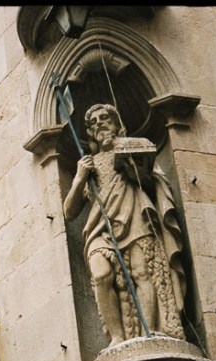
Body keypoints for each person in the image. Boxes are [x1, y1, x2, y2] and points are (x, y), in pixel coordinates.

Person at [63, 103, 186, 346]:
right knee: (101, 274)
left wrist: (133, 167)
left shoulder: (132, 147)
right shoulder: (88, 164)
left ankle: (150, 331)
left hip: (135, 219)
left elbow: (153, 183)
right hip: (100, 228)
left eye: (105, 118)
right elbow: (69, 211)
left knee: (143, 273)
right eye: (94, 121)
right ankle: (117, 338)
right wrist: (79, 177)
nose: (99, 123)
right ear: (90, 132)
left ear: (117, 124)